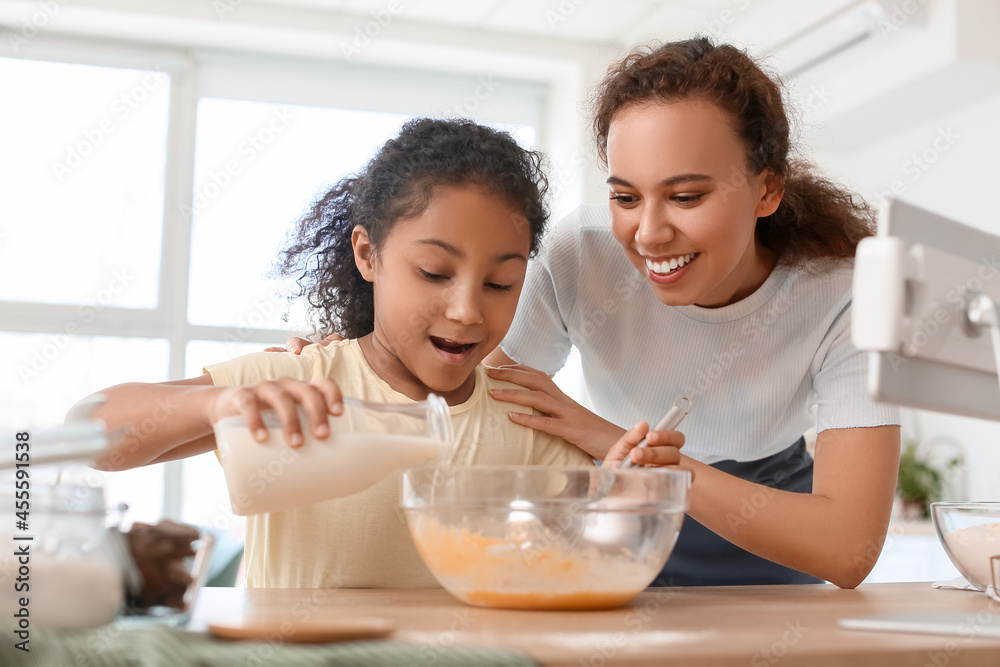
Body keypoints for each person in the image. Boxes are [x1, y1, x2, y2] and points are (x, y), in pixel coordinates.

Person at [287, 39, 901, 588]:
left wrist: (630, 450)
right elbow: (472, 403)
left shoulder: (847, 296)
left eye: (686, 196)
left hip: (773, 530)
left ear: (768, 189)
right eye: (625, 197)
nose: (650, 234)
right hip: (618, 524)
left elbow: (847, 549)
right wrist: (352, 366)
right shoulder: (581, 254)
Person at [78, 118, 684, 589]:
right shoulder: (297, 385)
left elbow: (573, 566)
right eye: (432, 271)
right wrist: (220, 405)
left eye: (501, 283)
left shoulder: (528, 415)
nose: (468, 310)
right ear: (369, 255)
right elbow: (88, 432)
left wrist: (623, 493)